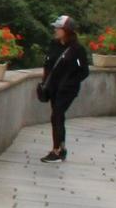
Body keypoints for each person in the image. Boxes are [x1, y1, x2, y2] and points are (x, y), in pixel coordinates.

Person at [38, 14, 90, 163]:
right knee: (56, 116)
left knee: (57, 115)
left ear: (67, 30)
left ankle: (57, 150)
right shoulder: (53, 44)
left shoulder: (77, 49)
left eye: (58, 28)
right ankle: (61, 148)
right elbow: (48, 64)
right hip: (53, 88)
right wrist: (44, 83)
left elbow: (84, 70)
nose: (55, 30)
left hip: (67, 90)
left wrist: (68, 83)